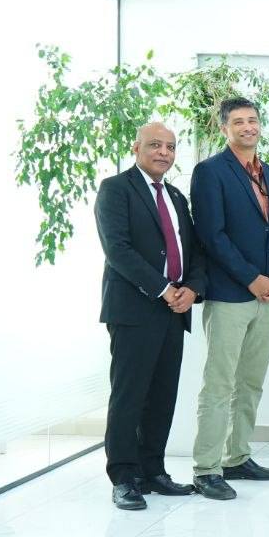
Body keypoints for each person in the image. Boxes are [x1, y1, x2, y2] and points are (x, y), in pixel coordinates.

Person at [94, 122, 207, 510]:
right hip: (134, 309)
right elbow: (118, 250)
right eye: (155, 145)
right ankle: (124, 477)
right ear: (136, 147)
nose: (163, 152)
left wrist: (192, 288)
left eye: (170, 147)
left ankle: (153, 471)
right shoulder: (116, 189)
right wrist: (163, 288)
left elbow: (193, 252)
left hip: (174, 311)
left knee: (162, 395)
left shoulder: (175, 196)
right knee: (130, 396)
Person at [189, 97, 269, 501]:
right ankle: (206, 468)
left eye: (253, 120)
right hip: (231, 294)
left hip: (268, 296)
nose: (248, 127)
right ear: (224, 128)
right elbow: (211, 235)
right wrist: (252, 279)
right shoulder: (210, 171)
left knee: (250, 382)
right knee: (219, 384)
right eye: (239, 122)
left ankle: (237, 457)